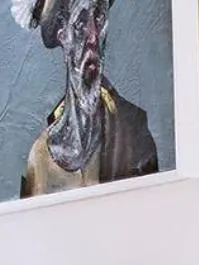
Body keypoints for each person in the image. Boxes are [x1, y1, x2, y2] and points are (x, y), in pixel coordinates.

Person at [14, 0, 161, 195]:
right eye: (81, 23)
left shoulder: (134, 134)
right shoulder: (41, 159)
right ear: (62, 34)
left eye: (99, 18)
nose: (93, 36)